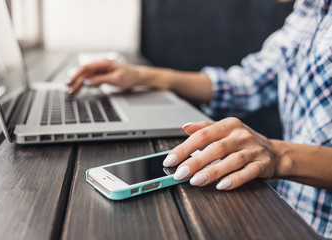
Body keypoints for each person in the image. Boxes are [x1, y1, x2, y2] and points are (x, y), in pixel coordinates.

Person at [67, 0, 332, 238]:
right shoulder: (308, 10)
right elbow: (247, 83)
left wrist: (278, 155)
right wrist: (143, 76)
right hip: (287, 211)